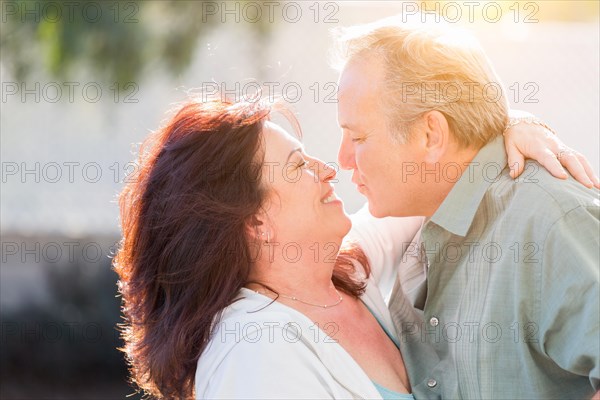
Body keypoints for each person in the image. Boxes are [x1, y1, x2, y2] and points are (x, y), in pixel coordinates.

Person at [114, 93, 595, 398]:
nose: (329, 167)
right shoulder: (249, 356)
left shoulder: (338, 270)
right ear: (256, 219)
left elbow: (438, 168)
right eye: (299, 164)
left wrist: (515, 122)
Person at [334, 18, 599, 399]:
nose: (342, 159)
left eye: (358, 137)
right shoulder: (424, 221)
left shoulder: (549, 222)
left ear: (430, 135)